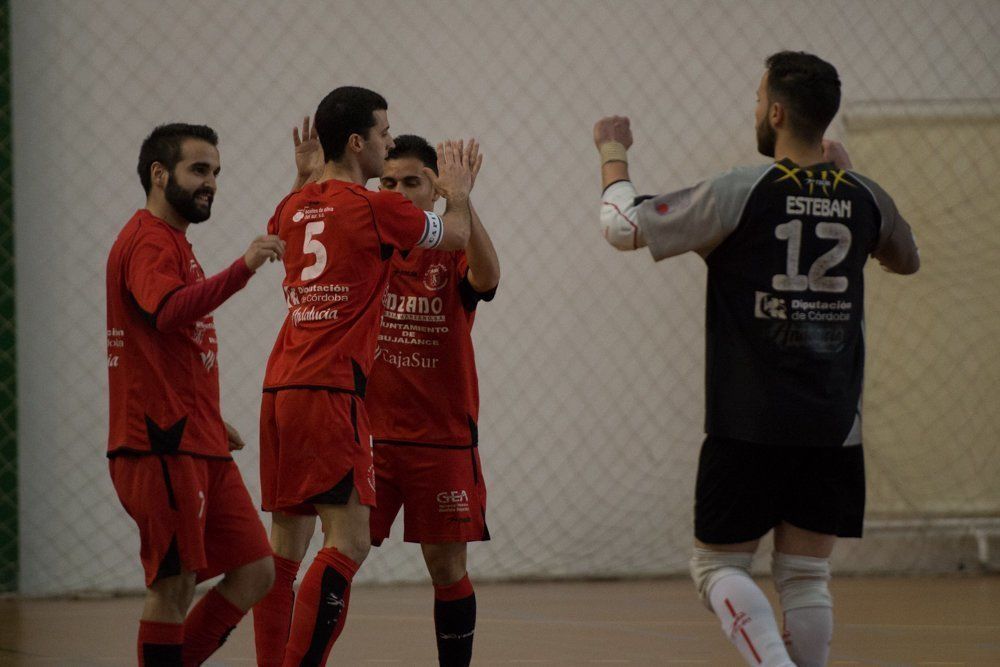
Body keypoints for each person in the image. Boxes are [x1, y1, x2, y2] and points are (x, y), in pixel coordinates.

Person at [593, 51, 919, 667]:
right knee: (805, 575)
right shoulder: (867, 196)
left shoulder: (741, 190)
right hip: (833, 425)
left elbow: (620, 227)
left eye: (756, 100)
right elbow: (909, 258)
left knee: (717, 565)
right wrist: (849, 185)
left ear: (774, 111)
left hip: (749, 423)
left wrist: (613, 154)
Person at [252, 88, 475, 667]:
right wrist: (459, 193)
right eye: (382, 133)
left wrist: (303, 178)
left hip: (278, 387)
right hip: (331, 391)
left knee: (283, 549)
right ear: (357, 142)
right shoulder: (377, 208)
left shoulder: (292, 207)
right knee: (347, 543)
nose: (387, 142)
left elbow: (295, 221)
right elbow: (453, 237)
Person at [106, 123, 283, 666]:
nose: (211, 183)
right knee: (173, 584)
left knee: (257, 570)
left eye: (216, 173)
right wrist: (245, 268)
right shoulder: (148, 240)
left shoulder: (175, 242)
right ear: (160, 175)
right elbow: (167, 311)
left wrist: (210, 416)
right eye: (199, 170)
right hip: (160, 442)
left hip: (197, 437)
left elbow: (176, 348)